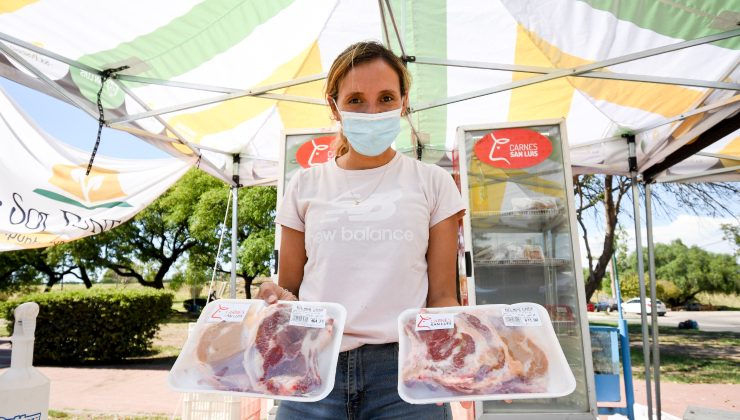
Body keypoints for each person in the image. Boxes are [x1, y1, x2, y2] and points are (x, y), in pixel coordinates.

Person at [259, 40, 466, 420]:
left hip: (405, 375)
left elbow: (441, 296)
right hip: (312, 368)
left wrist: (458, 361)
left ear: (403, 102)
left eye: (386, 97)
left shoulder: (434, 183)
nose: (372, 111)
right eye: (356, 100)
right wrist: (275, 296)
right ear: (334, 105)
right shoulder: (305, 185)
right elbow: (289, 287)